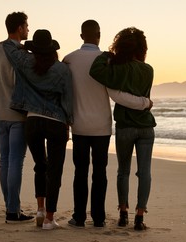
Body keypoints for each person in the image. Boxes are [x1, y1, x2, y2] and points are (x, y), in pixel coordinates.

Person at [63, 20, 152, 228]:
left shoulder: (69, 59)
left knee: (80, 172)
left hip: (79, 125)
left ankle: (78, 217)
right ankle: (99, 218)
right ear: (99, 35)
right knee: (100, 173)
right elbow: (115, 93)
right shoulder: (110, 62)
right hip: (102, 126)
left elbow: (65, 91)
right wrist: (144, 103)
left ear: (81, 35)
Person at [3, 29, 73, 230]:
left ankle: (40, 209)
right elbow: (67, 99)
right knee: (55, 170)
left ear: (34, 47)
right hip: (56, 122)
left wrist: (25, 47)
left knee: (40, 165)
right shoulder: (61, 69)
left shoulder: (25, 61)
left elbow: (7, 45)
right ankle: (50, 219)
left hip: (32, 121)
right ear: (52, 49)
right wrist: (69, 122)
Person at [90, 27, 156, 230]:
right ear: (142, 48)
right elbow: (144, 96)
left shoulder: (118, 69)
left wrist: (106, 55)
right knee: (144, 172)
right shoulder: (148, 70)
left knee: (123, 171)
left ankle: (123, 214)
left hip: (125, 126)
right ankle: (139, 217)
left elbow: (95, 71)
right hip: (146, 126)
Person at [0, 12, 34, 223]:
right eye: (26, 26)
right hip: (18, 116)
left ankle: (11, 207)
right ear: (19, 28)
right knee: (15, 162)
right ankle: (13, 211)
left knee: (4, 161)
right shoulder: (19, 53)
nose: (28, 30)